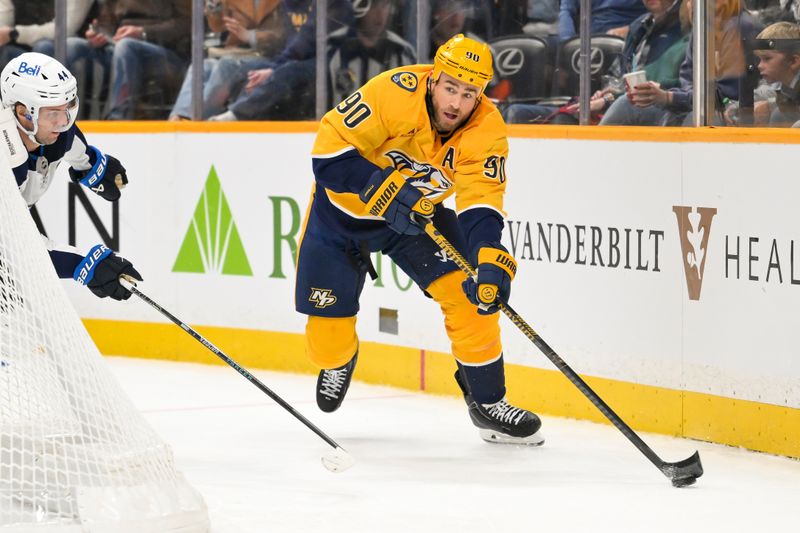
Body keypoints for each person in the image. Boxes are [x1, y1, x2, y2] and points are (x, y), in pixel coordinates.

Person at [295, 34, 543, 445]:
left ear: (480, 95)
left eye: (468, 93)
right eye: (449, 87)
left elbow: (481, 200)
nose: (455, 103)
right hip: (339, 218)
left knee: (472, 295)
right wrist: (380, 185)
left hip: (414, 222)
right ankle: (340, 359)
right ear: (433, 80)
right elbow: (327, 156)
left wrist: (489, 254)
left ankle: (487, 401)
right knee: (326, 345)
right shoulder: (393, 92)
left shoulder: (486, 127)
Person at [0, 52, 141, 300]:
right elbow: (18, 250)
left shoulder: (54, 132)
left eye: (67, 110)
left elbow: (81, 154)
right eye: (53, 113)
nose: (63, 122)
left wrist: (95, 170)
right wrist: (85, 265)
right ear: (23, 112)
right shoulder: (6, 161)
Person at [65, 0, 192, 120]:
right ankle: (61, 113)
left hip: (166, 54)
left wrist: (143, 32)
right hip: (117, 47)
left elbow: (187, 24)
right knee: (72, 46)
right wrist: (100, 33)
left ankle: (118, 118)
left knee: (126, 46)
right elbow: (107, 21)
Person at [168, 0, 292, 121]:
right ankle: (179, 117)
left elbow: (283, 35)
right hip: (238, 51)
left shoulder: (282, 3)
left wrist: (249, 35)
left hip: (271, 55)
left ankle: (195, 118)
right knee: (201, 65)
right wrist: (213, 5)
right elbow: (217, 27)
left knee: (226, 65)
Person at [0, 0, 95, 65]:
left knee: (43, 47)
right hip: (18, 47)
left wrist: (16, 33)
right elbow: (3, 19)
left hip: (68, 45)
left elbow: (65, 29)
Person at [751, 21, 800, 126]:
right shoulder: (784, 82)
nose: (759, 65)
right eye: (760, 59)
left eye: (767, 59)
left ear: (793, 61)